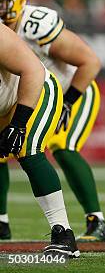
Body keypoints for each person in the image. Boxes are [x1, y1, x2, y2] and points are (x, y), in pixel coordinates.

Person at [0, 0, 105, 242]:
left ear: (19, 0)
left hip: (69, 90)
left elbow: (90, 62)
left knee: (63, 148)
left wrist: (68, 103)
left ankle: (97, 221)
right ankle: (2, 221)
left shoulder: (35, 25)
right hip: (25, 95)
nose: (0, 8)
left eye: (3, 1)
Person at [0, 19, 78, 256]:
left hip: (34, 91)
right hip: (3, 104)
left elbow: (32, 70)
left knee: (28, 150)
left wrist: (19, 123)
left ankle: (63, 234)